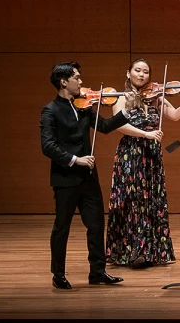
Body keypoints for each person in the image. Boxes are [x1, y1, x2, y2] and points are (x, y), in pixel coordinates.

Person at [40, 62, 130, 289]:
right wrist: (74, 159)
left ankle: (97, 271)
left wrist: (127, 110)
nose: (81, 82)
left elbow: (106, 127)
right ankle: (58, 274)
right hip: (65, 179)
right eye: (77, 78)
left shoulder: (84, 108)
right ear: (63, 82)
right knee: (62, 227)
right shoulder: (50, 110)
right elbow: (47, 146)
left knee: (96, 224)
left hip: (89, 178)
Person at [106, 58, 180, 269]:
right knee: (130, 202)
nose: (141, 75)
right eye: (137, 70)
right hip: (130, 154)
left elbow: (175, 116)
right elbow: (120, 126)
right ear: (128, 73)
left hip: (152, 157)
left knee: (152, 201)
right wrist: (146, 134)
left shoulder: (156, 96)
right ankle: (127, 251)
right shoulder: (121, 98)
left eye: (146, 72)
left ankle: (151, 251)